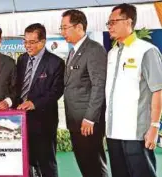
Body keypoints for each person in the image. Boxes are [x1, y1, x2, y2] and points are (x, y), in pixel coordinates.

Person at [106, 3, 162, 177]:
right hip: (114, 132)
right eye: (109, 23)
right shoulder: (112, 53)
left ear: (128, 22)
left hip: (137, 132)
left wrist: (154, 126)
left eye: (114, 21)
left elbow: (158, 90)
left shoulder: (146, 51)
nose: (110, 26)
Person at [61, 9, 108, 177]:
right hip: (75, 120)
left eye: (65, 27)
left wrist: (90, 118)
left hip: (88, 122)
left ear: (79, 27)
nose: (62, 32)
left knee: (94, 165)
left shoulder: (94, 49)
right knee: (85, 165)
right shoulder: (73, 51)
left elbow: (98, 86)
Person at [16, 23, 64, 177]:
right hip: (21, 119)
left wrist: (34, 103)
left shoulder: (55, 62)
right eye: (25, 42)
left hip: (44, 120)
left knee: (46, 162)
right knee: (26, 161)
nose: (27, 46)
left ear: (42, 42)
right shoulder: (22, 59)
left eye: (31, 42)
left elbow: (56, 91)